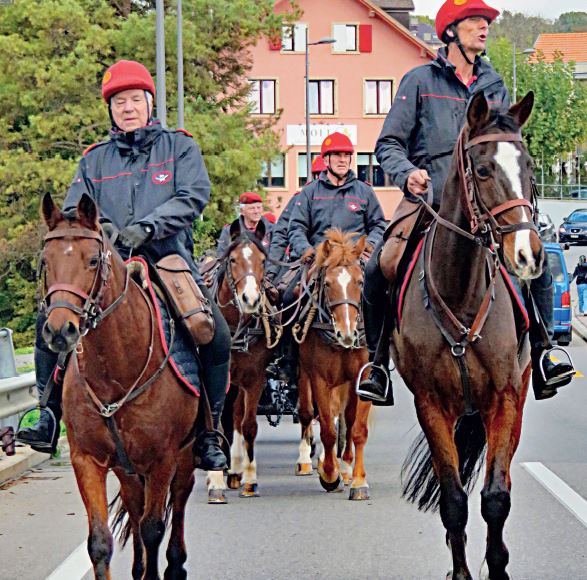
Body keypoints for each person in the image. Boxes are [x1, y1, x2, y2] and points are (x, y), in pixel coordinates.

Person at [17, 60, 231, 471]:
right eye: (119, 102)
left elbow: (193, 195)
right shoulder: (94, 160)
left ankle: (209, 431)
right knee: (52, 319)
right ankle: (46, 415)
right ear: (110, 110)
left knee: (214, 332)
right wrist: (109, 229)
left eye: (135, 99)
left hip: (166, 258)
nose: (127, 108)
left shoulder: (179, 146)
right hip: (103, 263)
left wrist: (147, 228)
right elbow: (69, 209)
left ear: (150, 103)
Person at [358, 0, 574, 404]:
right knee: (379, 265)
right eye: (475, 20)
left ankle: (545, 352)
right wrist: (408, 173)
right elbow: (387, 144)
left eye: (486, 21)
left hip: (489, 204)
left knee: (537, 260)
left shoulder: (493, 85)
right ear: (451, 30)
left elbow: (507, 144)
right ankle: (376, 365)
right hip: (430, 201)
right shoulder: (419, 80)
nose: (484, 27)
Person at [273, 133, 386, 383]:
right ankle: (288, 360)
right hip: (321, 259)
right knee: (287, 294)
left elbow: (379, 224)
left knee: (383, 295)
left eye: (347, 155)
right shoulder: (310, 193)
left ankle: (381, 361)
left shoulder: (364, 192)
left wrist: (369, 248)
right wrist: (307, 250)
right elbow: (296, 227)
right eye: (337, 155)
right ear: (327, 160)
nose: (343, 160)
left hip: (356, 259)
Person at [216, 192, 273, 256]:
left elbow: (277, 257)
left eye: (259, 207)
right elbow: (221, 256)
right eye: (252, 208)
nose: (256, 211)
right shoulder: (229, 230)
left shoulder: (272, 230)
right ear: (242, 211)